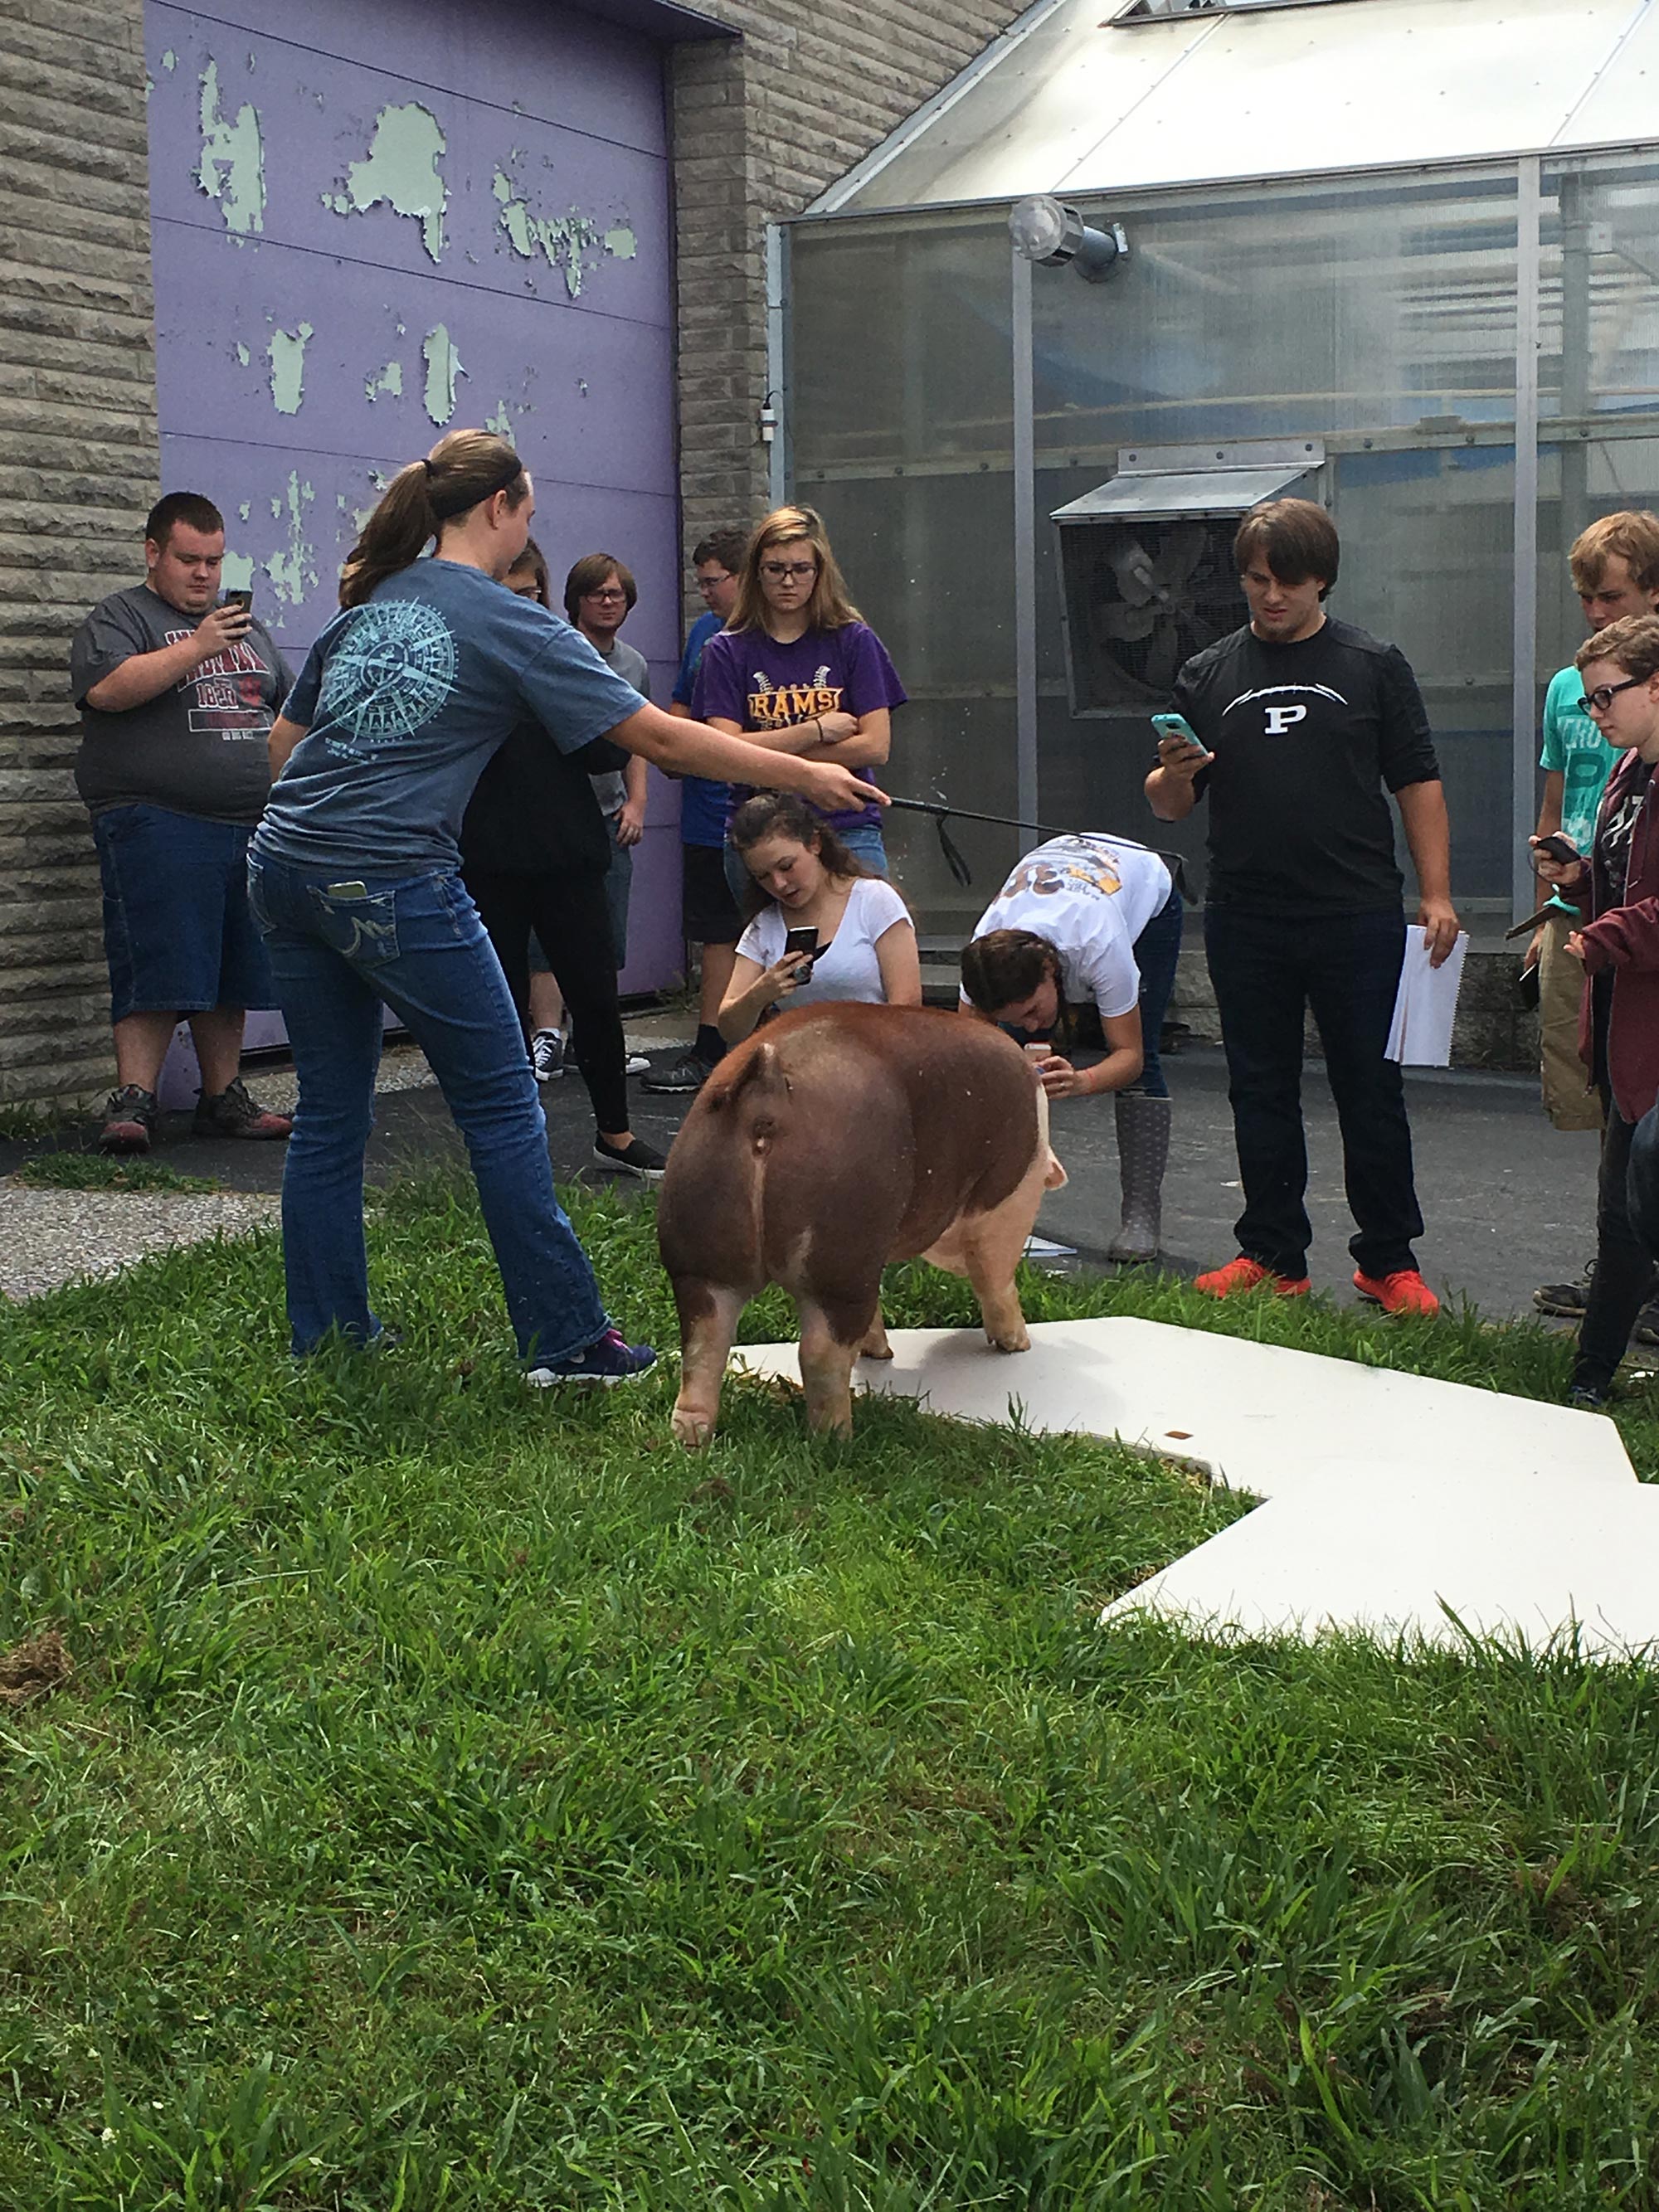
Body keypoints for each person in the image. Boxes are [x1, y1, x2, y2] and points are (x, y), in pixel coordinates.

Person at [249, 428, 881, 1378]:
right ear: (499, 507)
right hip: (390, 879)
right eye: (529, 514)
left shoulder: (373, 604)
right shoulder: (511, 620)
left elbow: (284, 750)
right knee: (504, 1105)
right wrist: (811, 773)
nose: (528, 532)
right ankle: (567, 1340)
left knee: (331, 1113)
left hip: (282, 866)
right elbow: (662, 741)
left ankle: (329, 1339)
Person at [1146, 497, 1457, 1317]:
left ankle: (1386, 1260)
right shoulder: (1207, 673)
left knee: (1369, 1088)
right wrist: (1174, 769)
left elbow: (1416, 779)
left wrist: (1434, 895)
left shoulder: (1370, 663)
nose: (1269, 597)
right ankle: (1272, 1254)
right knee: (1258, 1086)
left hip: (1354, 912)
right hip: (1246, 915)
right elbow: (1169, 806)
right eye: (1255, 581)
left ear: (1321, 578)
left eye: (1286, 581)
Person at [69, 490, 295, 1154]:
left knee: (233, 965)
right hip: (157, 818)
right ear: (153, 553)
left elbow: (286, 706)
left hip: (249, 824)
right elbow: (106, 689)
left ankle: (222, 1096)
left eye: (214, 561)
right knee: (158, 956)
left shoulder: (246, 630)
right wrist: (196, 647)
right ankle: (134, 1100)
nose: (203, 574)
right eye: (189, 559)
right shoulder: (121, 617)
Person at [459, 539, 666, 1180]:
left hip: (570, 850)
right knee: (500, 1003)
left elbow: (609, 751)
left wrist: (578, 698)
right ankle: (509, 1140)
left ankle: (616, 1131)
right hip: (489, 851)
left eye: (531, 596)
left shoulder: (559, 653)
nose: (523, 608)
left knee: (596, 997)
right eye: (510, 596)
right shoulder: (469, 658)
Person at [1526, 512, 1659, 1327]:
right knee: (1604, 1100)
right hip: (1584, 903)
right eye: (1582, 597)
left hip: (1634, 923)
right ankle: (1621, 1272)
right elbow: (1557, 789)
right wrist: (1556, 880)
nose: (1594, 612)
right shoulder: (1566, 684)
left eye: (1608, 596)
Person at [959, 834, 1180, 1262]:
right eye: (1014, 1019)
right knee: (985, 1070)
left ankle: (1141, 1214)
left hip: (1141, 887)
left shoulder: (1099, 944)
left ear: (1049, 970)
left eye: (1033, 1009)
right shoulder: (983, 951)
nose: (1030, 1025)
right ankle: (996, 1203)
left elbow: (1129, 1057)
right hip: (1063, 874)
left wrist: (1082, 1081)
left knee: (1146, 1053)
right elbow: (969, 1058)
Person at [693, 504, 904, 897]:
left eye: (800, 569)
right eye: (775, 569)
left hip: (846, 824)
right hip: (759, 832)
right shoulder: (725, 651)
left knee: (860, 947)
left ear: (819, 572)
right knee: (773, 953)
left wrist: (761, 757)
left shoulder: (853, 641)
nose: (788, 581)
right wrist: (816, 731)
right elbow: (721, 751)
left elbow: (875, 747)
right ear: (757, 574)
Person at [645, 525, 750, 1095]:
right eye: (701, 582)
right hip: (706, 810)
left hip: (762, 813)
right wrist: (674, 744)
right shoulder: (705, 633)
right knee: (716, 930)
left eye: (714, 582)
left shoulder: (772, 635)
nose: (706, 592)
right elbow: (682, 699)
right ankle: (710, 1046)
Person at [717, 792, 920, 1044]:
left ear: (815, 843)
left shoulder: (874, 899)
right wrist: (759, 994)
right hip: (799, 1065)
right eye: (763, 876)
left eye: (787, 866)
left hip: (875, 1058)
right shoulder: (765, 924)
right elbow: (728, 1027)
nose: (779, 884)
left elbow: (907, 1007)